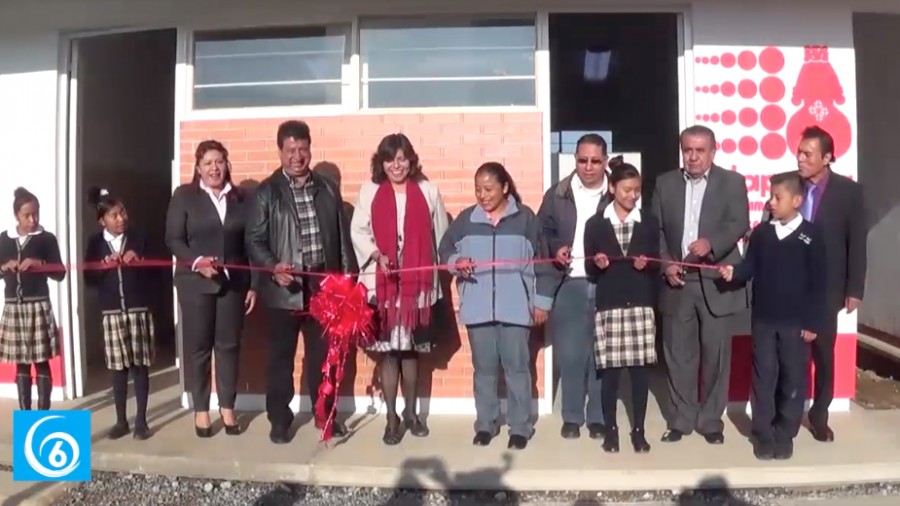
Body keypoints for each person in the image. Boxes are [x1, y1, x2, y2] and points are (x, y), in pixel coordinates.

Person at [246, 120, 358, 444]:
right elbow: (254, 240)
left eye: (302, 149)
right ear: (280, 152)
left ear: (310, 148)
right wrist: (271, 266)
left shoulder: (327, 188)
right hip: (284, 292)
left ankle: (326, 415)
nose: (297, 156)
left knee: (324, 359)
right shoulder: (267, 192)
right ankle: (280, 420)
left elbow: (341, 238)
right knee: (281, 359)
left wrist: (347, 281)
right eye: (290, 150)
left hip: (323, 288)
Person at [439, 162, 554, 451]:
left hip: (516, 309)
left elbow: (544, 263)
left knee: (517, 369)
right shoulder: (465, 220)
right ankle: (485, 425)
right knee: (484, 370)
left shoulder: (526, 219)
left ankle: (519, 428)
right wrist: (456, 263)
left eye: (488, 188)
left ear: (504, 188)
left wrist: (541, 302)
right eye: (478, 189)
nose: (482, 194)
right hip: (478, 309)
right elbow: (445, 250)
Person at [761, 126, 865, 442]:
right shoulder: (787, 183)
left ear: (827, 157)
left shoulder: (848, 192)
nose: (801, 158)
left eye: (808, 153)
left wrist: (854, 288)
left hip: (827, 288)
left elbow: (856, 242)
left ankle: (819, 414)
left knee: (823, 354)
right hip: (788, 286)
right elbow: (770, 228)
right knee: (788, 354)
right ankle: (785, 413)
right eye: (799, 152)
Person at [650, 125, 749, 445]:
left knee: (715, 356)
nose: (692, 157)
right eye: (687, 150)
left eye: (699, 151)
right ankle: (680, 418)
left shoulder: (732, 182)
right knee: (678, 355)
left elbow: (739, 222)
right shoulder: (665, 183)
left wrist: (713, 243)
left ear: (713, 150)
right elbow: (657, 230)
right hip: (678, 282)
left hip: (715, 283)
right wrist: (666, 263)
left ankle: (710, 421)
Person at [720, 172, 827, 460]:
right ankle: (763, 434)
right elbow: (749, 267)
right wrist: (734, 272)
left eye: (778, 197)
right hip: (764, 320)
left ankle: (785, 433)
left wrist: (812, 322)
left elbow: (820, 284)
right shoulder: (762, 234)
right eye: (770, 196)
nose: (771, 202)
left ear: (797, 200)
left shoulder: (811, 236)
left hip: (796, 324)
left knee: (792, 378)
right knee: (763, 376)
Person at [350, 133, 449, 445]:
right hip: (383, 284)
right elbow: (359, 231)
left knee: (411, 350)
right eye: (391, 158)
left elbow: (440, 236)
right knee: (389, 353)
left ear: (411, 160)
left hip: (416, 285)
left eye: (403, 158)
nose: (397, 165)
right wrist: (378, 255)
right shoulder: (369, 192)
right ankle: (391, 418)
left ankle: (411, 413)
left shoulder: (428, 191)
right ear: (382, 162)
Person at [166, 140, 258, 438]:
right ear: (198, 168)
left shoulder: (242, 199)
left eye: (219, 161)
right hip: (195, 285)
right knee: (200, 348)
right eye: (208, 163)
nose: (214, 168)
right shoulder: (185, 196)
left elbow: (251, 244)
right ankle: (201, 408)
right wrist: (196, 262)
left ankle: (227, 406)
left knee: (229, 347)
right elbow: (174, 239)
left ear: (227, 165)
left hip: (233, 284)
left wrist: (254, 284)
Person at [537, 133, 612, 440]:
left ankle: (596, 416)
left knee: (600, 354)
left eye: (595, 161)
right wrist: (556, 248)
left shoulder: (619, 193)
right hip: (568, 281)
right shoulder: (557, 193)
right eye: (583, 160)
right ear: (575, 160)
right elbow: (542, 231)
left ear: (605, 161)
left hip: (606, 283)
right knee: (570, 353)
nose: (589, 167)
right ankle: (571, 416)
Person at [583, 157, 659, 454]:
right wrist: (598, 263)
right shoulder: (596, 225)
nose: (632, 196)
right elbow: (590, 269)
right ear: (612, 188)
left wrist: (647, 264)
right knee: (610, 374)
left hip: (640, 305)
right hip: (610, 305)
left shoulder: (649, 222)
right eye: (626, 190)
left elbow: (656, 263)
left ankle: (638, 431)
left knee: (639, 373)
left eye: (637, 190)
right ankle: (611, 431)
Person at [84, 186, 155, 440]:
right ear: (102, 220)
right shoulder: (95, 243)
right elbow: (88, 278)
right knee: (118, 369)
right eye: (114, 215)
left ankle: (142, 422)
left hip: (138, 309)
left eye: (123, 212)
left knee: (140, 366)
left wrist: (141, 259)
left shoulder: (140, 236)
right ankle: (121, 421)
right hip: (112, 312)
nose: (121, 218)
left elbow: (159, 269)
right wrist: (103, 267)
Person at [0, 187, 66, 411]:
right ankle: (26, 414)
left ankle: (43, 414)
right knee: (21, 362)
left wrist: (41, 264)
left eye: (36, 213)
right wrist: (3, 268)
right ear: (16, 215)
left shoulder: (46, 239)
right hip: (14, 308)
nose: (33, 219)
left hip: (38, 306)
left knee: (41, 361)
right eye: (27, 215)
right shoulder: (4, 239)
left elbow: (60, 273)